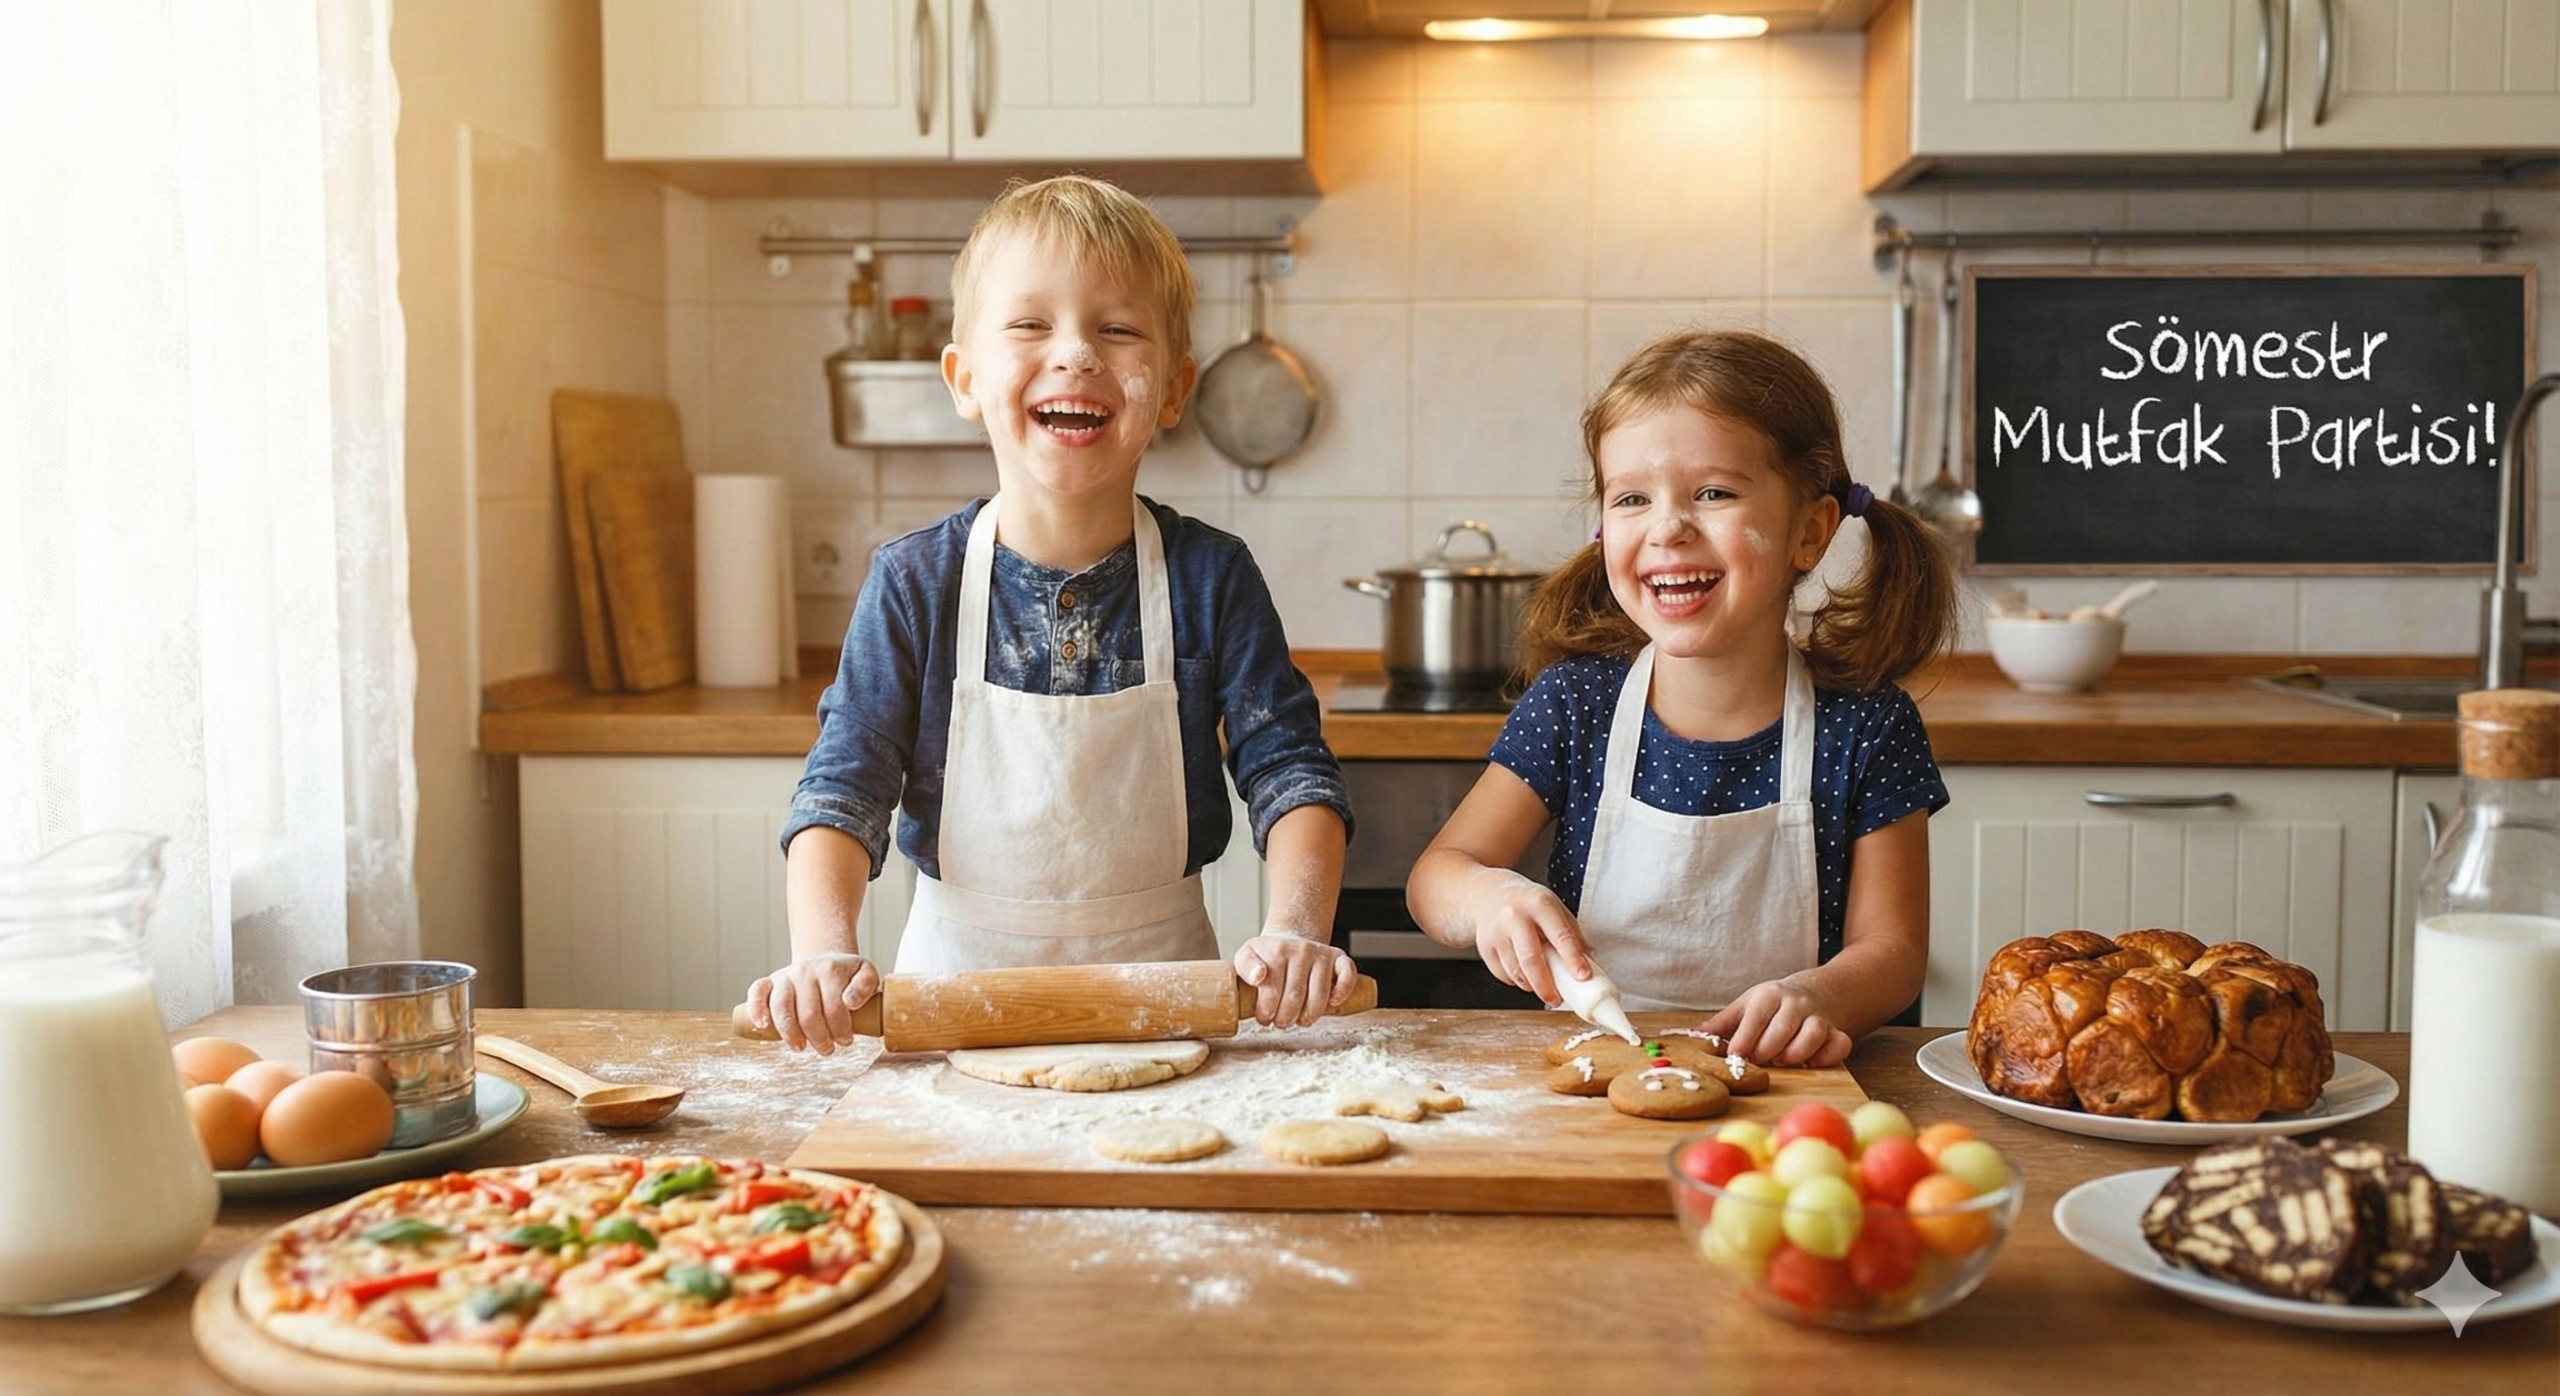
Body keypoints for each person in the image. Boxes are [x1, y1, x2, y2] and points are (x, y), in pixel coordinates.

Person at [744, 176, 1356, 1053]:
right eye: (1030, 324)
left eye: (1118, 328)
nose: (1076, 353)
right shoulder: (917, 582)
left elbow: (1292, 773)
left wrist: (1298, 927)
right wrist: (822, 955)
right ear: (963, 377)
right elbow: (843, 793)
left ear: (1174, 389)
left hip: (1166, 1009)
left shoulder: (1211, 578)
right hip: (951, 1005)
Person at [1405, 329, 1957, 1068]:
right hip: (1594, 1076)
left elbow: (1891, 953)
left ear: (1811, 530)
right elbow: (1437, 876)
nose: (1668, 527)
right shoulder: (1577, 705)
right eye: (1632, 498)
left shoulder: (1867, 724)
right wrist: (1484, 899)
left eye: (1714, 493)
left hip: (1788, 1090)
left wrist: (1822, 998)